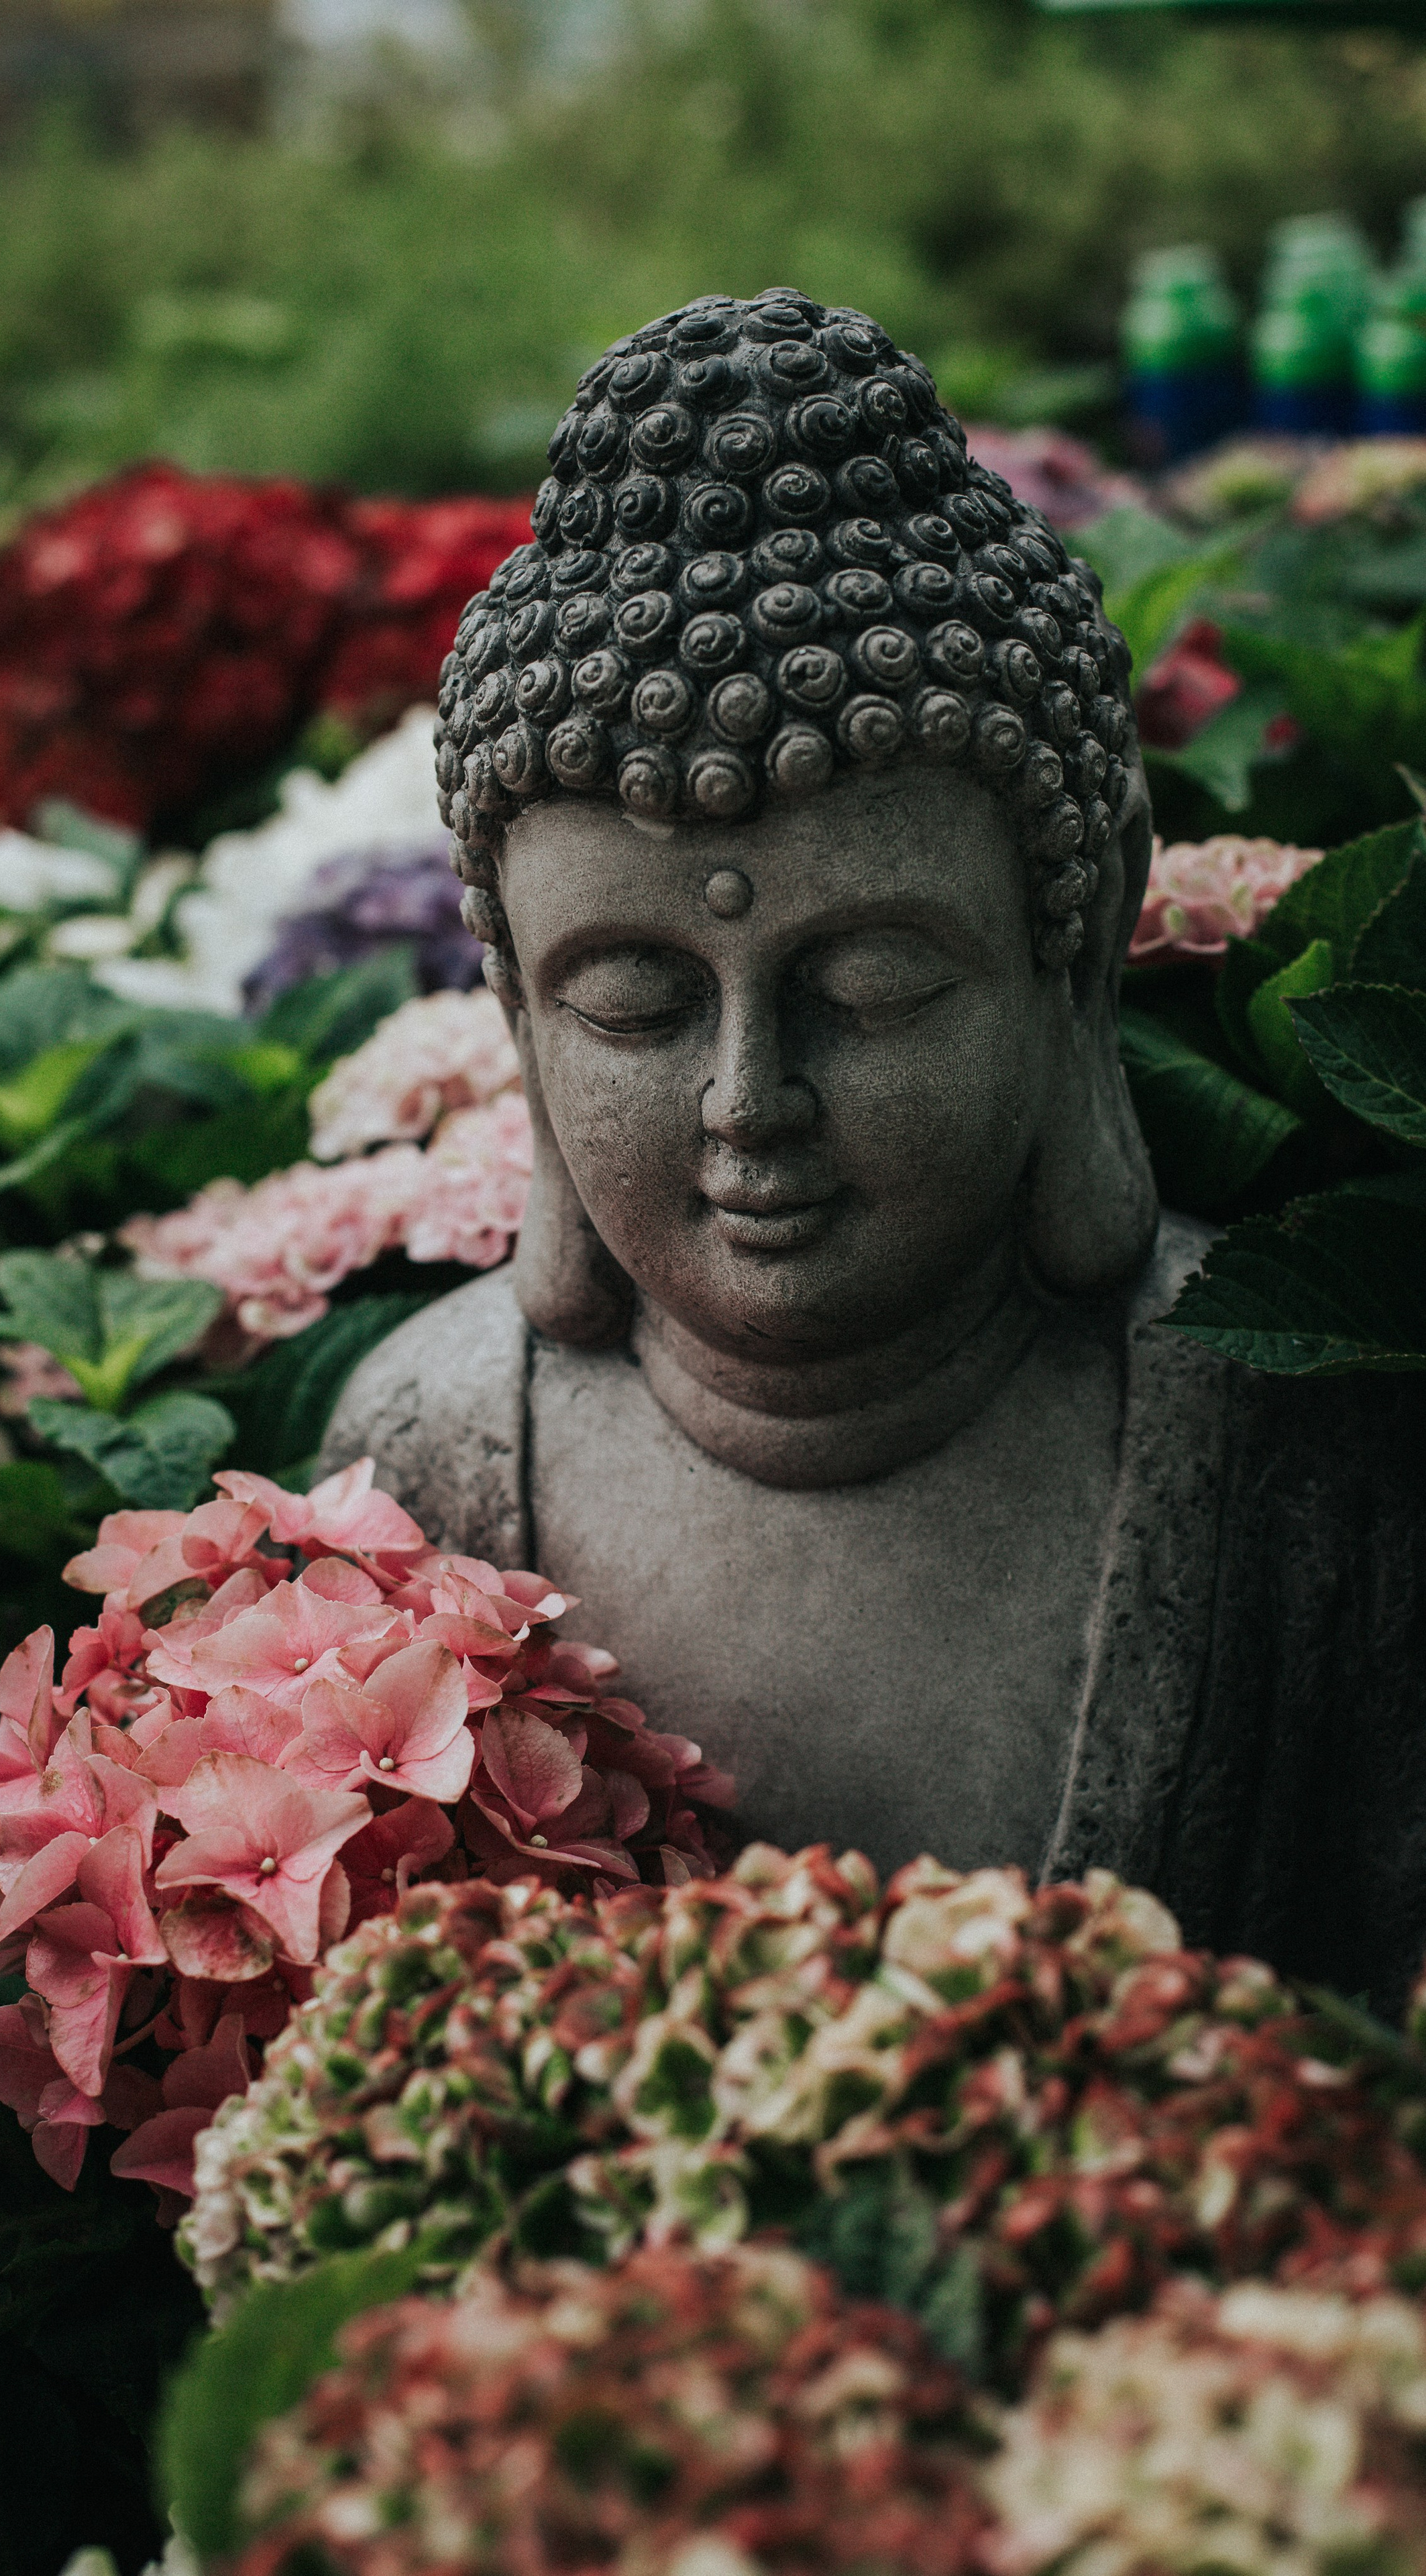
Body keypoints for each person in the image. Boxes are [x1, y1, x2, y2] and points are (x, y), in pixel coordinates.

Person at [321, 289, 1426, 2012]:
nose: (749, 1098)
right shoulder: (423, 1455)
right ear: (516, 1016)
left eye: (875, 982)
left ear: (1074, 944)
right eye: (631, 1004)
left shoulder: (1288, 1432)